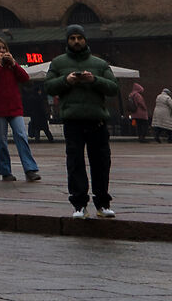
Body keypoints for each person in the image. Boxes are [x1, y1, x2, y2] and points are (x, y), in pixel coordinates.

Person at [46, 24, 117, 219]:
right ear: (67, 41)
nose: (76, 41)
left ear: (85, 40)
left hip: (97, 120)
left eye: (79, 38)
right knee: (75, 163)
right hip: (73, 120)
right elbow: (48, 86)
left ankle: (103, 203)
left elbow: (113, 88)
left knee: (101, 163)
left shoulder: (100, 64)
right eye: (72, 38)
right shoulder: (58, 63)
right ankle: (79, 205)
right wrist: (66, 81)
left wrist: (94, 80)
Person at [0, 38, 41, 182]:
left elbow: (25, 77)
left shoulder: (11, 64)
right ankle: (5, 171)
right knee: (1, 140)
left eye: (3, 48)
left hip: (14, 107)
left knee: (21, 135)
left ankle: (30, 169)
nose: (1, 51)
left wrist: (14, 64)